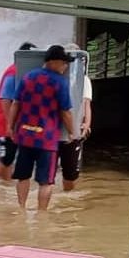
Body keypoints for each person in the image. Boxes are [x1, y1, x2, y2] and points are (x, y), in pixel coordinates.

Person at [8, 45, 77, 210]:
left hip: (25, 136)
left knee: (23, 176)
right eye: (64, 63)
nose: (65, 67)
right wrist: (73, 133)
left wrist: (10, 127)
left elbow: (15, 104)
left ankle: (21, 209)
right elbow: (65, 112)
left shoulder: (27, 77)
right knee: (46, 181)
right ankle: (42, 215)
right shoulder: (60, 82)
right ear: (55, 62)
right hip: (47, 139)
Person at [0, 41, 36, 183]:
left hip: (8, 121)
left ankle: (5, 186)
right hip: (4, 121)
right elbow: (5, 100)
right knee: (6, 156)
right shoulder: (14, 72)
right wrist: (10, 124)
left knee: (9, 155)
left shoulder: (18, 71)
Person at [59, 43, 93, 192]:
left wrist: (86, 124)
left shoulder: (84, 80)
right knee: (48, 171)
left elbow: (86, 104)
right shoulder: (56, 78)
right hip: (56, 131)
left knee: (70, 174)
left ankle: (66, 197)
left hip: (75, 131)